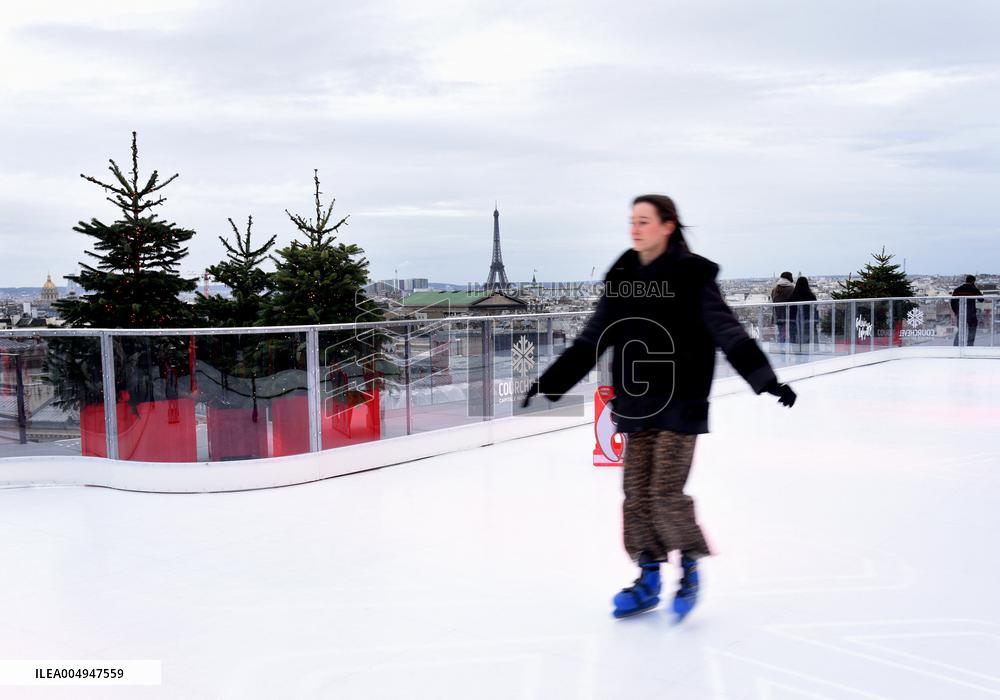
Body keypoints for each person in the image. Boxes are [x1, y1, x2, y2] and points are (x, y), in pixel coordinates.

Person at [522, 194, 796, 621]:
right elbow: (594, 336)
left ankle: (688, 564)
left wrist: (766, 379)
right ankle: (648, 573)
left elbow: (728, 330)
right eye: (632, 221)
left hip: (681, 400)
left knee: (663, 491)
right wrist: (551, 382)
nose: (635, 228)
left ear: (668, 225)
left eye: (644, 221)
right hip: (635, 400)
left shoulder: (692, 275)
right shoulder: (625, 273)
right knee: (634, 494)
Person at [951, 275, 982, 346]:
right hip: (971, 314)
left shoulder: (957, 289)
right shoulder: (974, 289)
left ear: (966, 280)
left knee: (960, 330)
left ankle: (956, 346)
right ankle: (970, 346)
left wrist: (956, 312)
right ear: (973, 281)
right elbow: (981, 299)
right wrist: (975, 288)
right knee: (972, 330)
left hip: (961, 313)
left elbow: (952, 302)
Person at [789, 276, 817, 346]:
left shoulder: (792, 296)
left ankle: (797, 353)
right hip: (808, 321)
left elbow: (790, 310)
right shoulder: (811, 296)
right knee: (808, 339)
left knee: (795, 341)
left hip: (794, 322)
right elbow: (814, 308)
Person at [771, 272, 795, 343]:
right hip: (789, 316)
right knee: (791, 334)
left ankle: (782, 349)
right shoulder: (791, 289)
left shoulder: (774, 289)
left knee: (781, 334)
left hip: (777, 315)